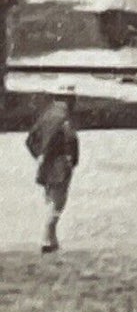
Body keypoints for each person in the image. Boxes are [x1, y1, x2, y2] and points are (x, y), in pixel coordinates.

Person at [26, 87, 79, 254]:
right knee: (57, 203)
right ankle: (47, 239)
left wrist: (39, 155)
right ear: (67, 99)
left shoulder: (46, 116)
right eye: (72, 98)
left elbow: (30, 139)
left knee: (50, 200)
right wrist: (71, 159)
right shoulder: (63, 119)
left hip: (46, 166)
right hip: (60, 165)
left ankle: (53, 239)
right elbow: (70, 140)